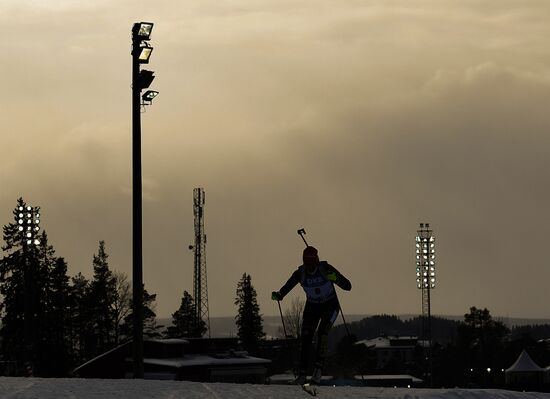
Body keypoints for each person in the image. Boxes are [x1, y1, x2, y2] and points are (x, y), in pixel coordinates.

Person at [271, 246, 351, 385]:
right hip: (312, 306)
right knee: (306, 338)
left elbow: (348, 286)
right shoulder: (300, 273)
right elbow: (288, 285)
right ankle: (302, 375)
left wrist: (335, 279)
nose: (310, 268)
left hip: (330, 306)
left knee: (322, 333)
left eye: (312, 264)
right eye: (307, 265)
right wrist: (279, 295)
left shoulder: (326, 268)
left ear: (317, 261)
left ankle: (317, 371)